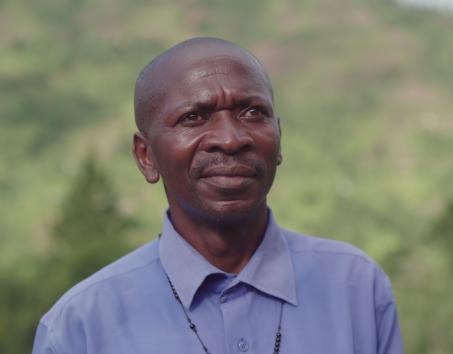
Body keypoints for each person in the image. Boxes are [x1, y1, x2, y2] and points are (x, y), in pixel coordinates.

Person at [32, 37, 403, 354]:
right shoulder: (81, 326)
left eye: (253, 112)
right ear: (146, 156)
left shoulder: (355, 288)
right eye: (194, 117)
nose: (230, 139)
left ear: (279, 139)